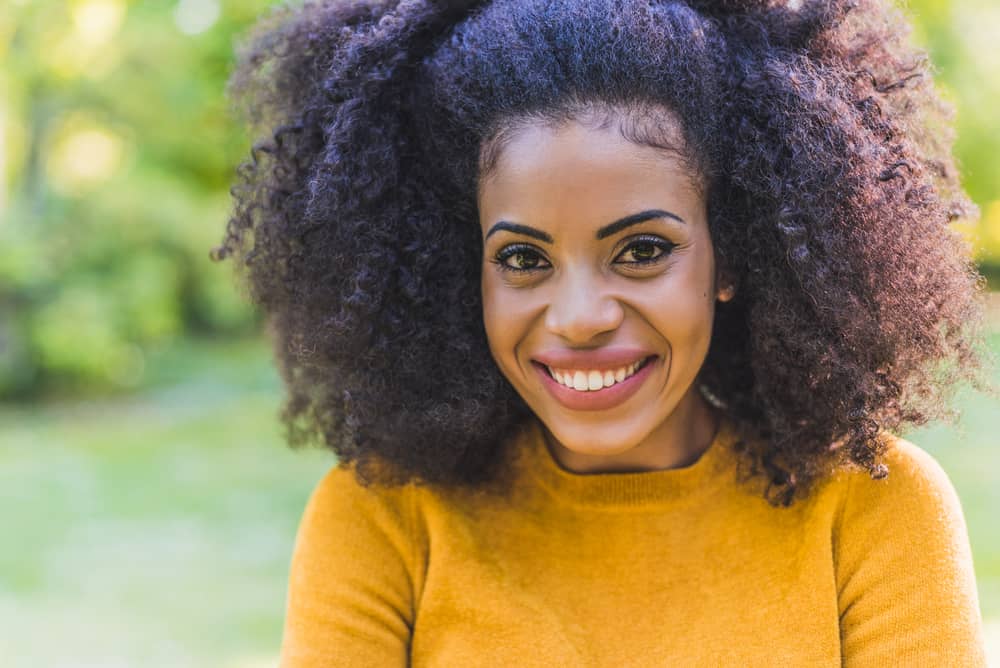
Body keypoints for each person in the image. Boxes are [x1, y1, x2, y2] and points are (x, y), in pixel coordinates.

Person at [213, 0, 989, 664]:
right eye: (522, 258)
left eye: (643, 251)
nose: (580, 317)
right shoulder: (383, 520)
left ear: (734, 254)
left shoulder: (875, 511)